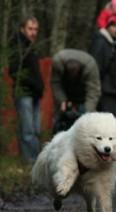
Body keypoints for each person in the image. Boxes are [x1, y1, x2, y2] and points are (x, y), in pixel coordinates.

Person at [8, 16, 44, 164]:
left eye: (35, 29)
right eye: (30, 29)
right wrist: (34, 85)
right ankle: (31, 162)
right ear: (22, 29)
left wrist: (39, 87)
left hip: (34, 93)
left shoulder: (31, 45)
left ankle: (36, 162)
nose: (33, 32)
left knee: (35, 130)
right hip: (24, 93)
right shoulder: (17, 45)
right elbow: (15, 71)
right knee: (27, 131)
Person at [51, 49, 101, 133]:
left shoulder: (91, 66)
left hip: (83, 97)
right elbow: (56, 83)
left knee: (84, 125)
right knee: (59, 122)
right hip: (65, 94)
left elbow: (93, 91)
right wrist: (61, 100)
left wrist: (88, 112)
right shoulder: (57, 62)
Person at [89, 15, 116, 117]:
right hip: (105, 92)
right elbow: (96, 68)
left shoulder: (114, 44)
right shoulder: (101, 42)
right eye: (114, 26)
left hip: (112, 92)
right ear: (107, 27)